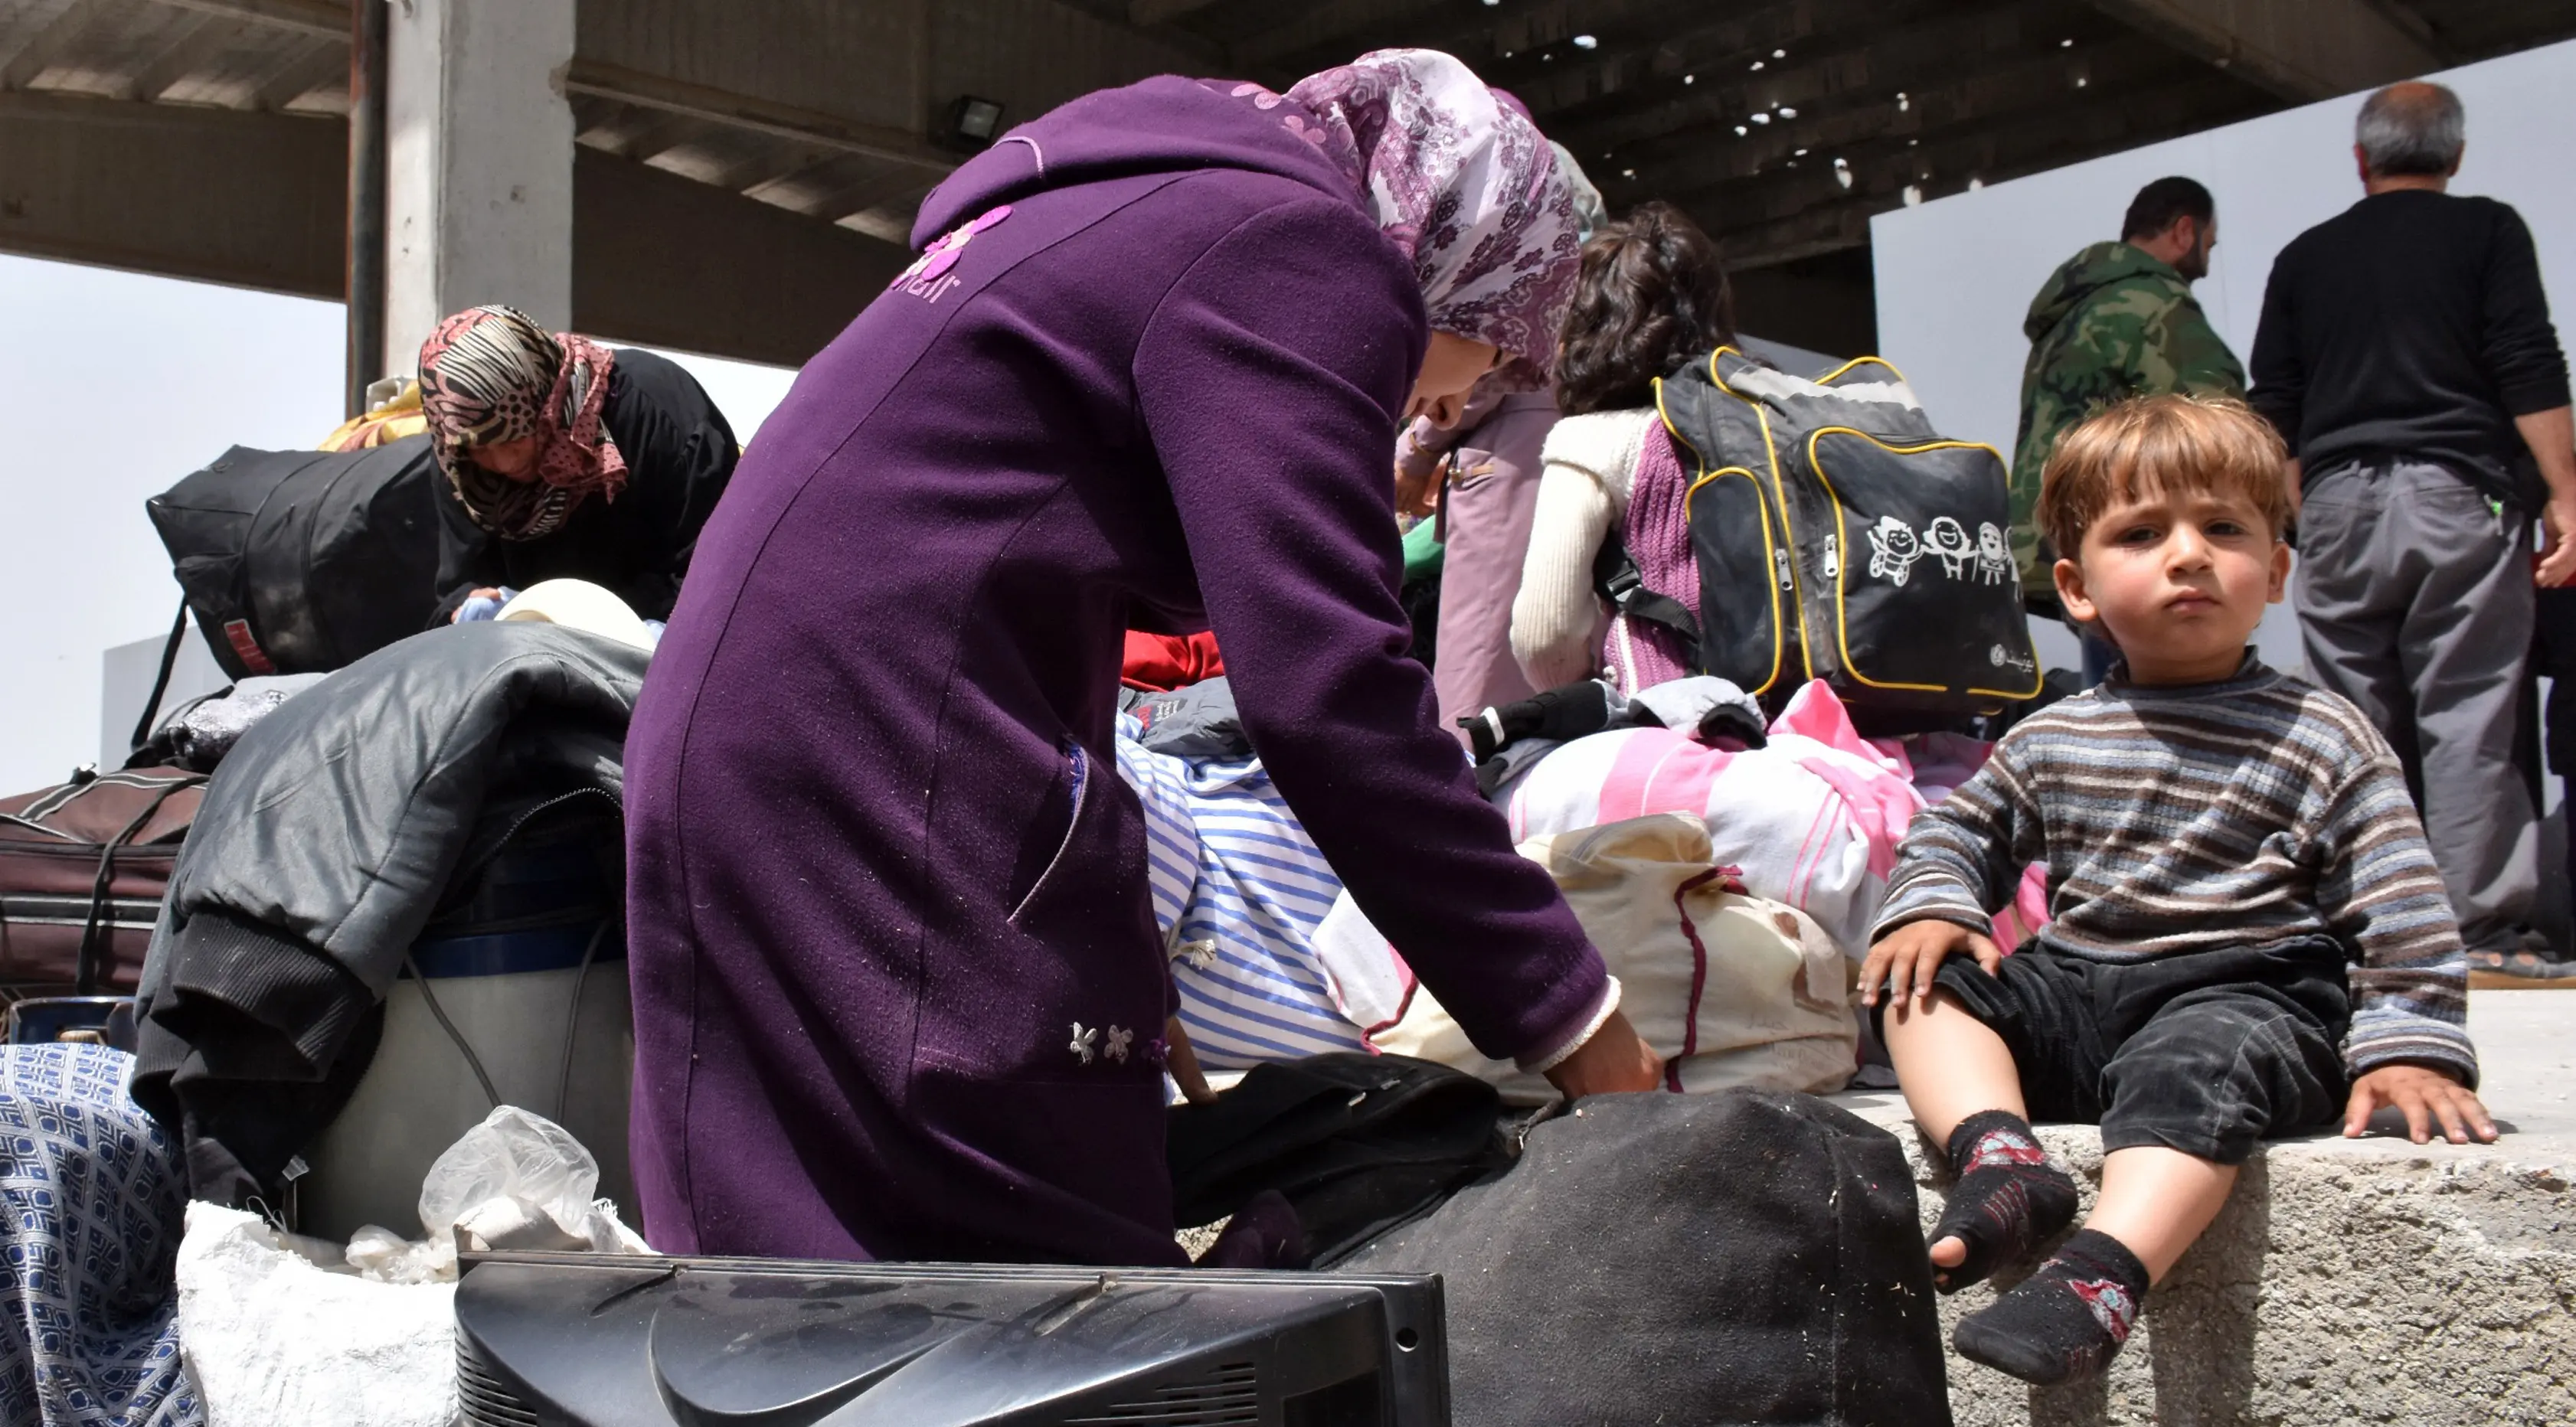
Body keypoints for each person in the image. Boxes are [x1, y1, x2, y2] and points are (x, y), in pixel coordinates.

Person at [621, 51, 1662, 1267]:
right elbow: (1332, 687)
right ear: (1466, 260)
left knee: (794, 1274)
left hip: (760, 737)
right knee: (1048, 1311)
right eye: (1505, 345)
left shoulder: (1114, 208)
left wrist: (1105, 936)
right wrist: (1581, 1023)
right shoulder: (1301, 250)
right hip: (881, 757)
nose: (1480, 388)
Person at [1861, 394, 2492, 1387]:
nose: (2188, 554)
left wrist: (2411, 1043)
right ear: (2077, 586)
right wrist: (1938, 902)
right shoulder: (2049, 735)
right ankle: (2001, 1157)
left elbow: (2400, 905)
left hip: (2246, 992)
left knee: (2195, 1066)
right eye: (2143, 533)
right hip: (2079, 988)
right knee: (1921, 990)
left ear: (2276, 571)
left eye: (2225, 529)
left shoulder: (2323, 733)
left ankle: (2107, 1270)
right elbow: (1956, 828)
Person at [2249, 81, 2575, 963]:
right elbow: (2525, 359)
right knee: (2470, 711)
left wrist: (2288, 521)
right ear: (2455, 156)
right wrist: (2566, 495)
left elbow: (2273, 404)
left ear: (2361, 159)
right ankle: (2476, 930)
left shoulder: (2305, 256)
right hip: (2459, 495)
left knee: (2353, 725)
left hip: (2337, 501)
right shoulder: (2487, 231)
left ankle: (2371, 923)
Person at [1391, 139, 1605, 737]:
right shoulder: (1560, 196)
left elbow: (1489, 358)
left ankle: (1464, 820)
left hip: (1511, 455)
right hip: (1549, 443)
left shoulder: (1514, 205)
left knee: (1478, 679)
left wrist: (1416, 449)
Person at [2010, 176, 2244, 681]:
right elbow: (2220, 420)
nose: (2208, 256)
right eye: (2209, 241)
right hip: (2129, 531)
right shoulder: (2154, 303)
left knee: (2114, 693)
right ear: (2185, 230)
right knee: (2154, 696)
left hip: (2060, 532)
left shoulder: (2069, 311)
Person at [1509, 201, 1737, 694]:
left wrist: (1580, 693)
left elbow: (1544, 632)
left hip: (1681, 721)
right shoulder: (1767, 421)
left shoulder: (1593, 440)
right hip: (1827, 716)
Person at [416, 305, 738, 626]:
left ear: (547, 400)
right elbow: (460, 584)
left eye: (515, 438)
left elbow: (716, 577)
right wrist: (465, 606)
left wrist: (597, 624)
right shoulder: (461, 464)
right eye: (481, 448)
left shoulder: (659, 418)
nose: (504, 463)